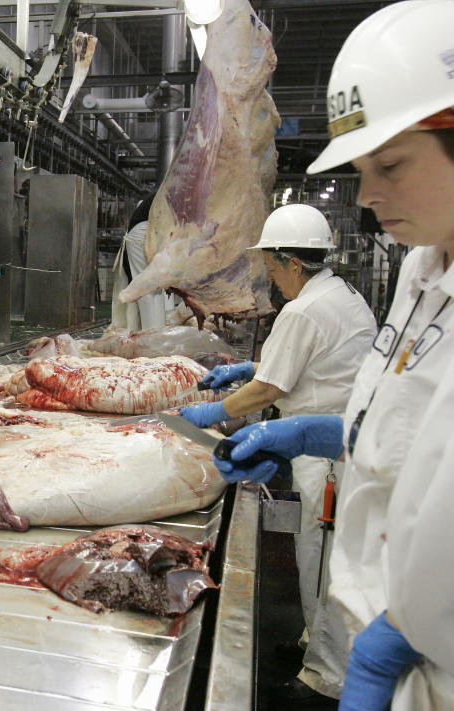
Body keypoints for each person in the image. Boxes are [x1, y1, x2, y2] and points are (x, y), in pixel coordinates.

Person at [211, 2, 454, 709]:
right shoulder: (420, 271)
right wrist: (324, 431)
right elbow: (403, 420)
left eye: (392, 165)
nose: (369, 195)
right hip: (388, 620)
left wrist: (411, 635)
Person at [179, 203, 376, 702]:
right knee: (330, 562)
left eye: (271, 269)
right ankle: (318, 645)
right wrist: (246, 370)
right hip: (344, 440)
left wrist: (210, 412)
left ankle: (325, 677)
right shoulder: (341, 293)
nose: (272, 281)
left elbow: (268, 391)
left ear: (291, 262)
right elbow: (304, 364)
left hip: (328, 452)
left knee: (322, 559)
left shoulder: (305, 308)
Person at [110, 191, 167, 331]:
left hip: (150, 232)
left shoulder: (173, 191)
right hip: (143, 235)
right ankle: (152, 334)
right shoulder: (173, 192)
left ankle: (146, 331)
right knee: (148, 286)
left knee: (152, 287)